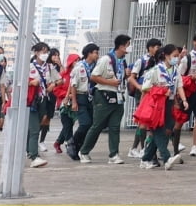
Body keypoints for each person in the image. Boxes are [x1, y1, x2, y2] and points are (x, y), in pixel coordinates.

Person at [78, 34, 131, 164]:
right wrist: (109, 82)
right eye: (128, 45)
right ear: (121, 46)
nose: (130, 48)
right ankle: (84, 151)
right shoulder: (106, 59)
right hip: (103, 95)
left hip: (118, 96)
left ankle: (114, 154)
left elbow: (119, 78)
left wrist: (125, 75)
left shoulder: (122, 61)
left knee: (115, 126)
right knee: (97, 125)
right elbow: (94, 77)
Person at [139, 44, 187, 170]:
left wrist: (184, 100)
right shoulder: (156, 70)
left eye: (178, 56)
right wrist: (161, 91)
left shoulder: (176, 70)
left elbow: (180, 86)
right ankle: (166, 158)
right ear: (166, 56)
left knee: (165, 131)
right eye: (174, 56)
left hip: (169, 104)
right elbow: (145, 87)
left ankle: (145, 159)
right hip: (156, 105)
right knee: (159, 131)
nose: (176, 58)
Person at [128, 38, 162, 158]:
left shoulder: (159, 61)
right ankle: (142, 148)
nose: (158, 49)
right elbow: (131, 77)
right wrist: (140, 87)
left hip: (154, 93)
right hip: (143, 93)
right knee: (143, 120)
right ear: (150, 48)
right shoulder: (141, 60)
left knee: (146, 122)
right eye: (156, 47)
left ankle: (135, 148)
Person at [66, 43, 99, 160]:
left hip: (91, 97)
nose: (97, 55)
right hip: (80, 96)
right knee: (85, 123)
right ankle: (72, 142)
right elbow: (73, 85)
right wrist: (74, 101)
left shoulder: (95, 67)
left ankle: (79, 147)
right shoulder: (79, 67)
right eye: (95, 52)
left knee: (90, 124)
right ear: (89, 54)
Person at [24, 42, 54, 168]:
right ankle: (34, 156)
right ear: (36, 52)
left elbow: (58, 79)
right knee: (35, 129)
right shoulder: (29, 67)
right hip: (32, 101)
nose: (45, 54)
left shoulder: (49, 67)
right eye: (42, 51)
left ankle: (28, 150)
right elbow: (19, 81)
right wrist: (31, 83)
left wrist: (54, 84)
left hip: (43, 100)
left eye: (46, 51)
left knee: (34, 128)